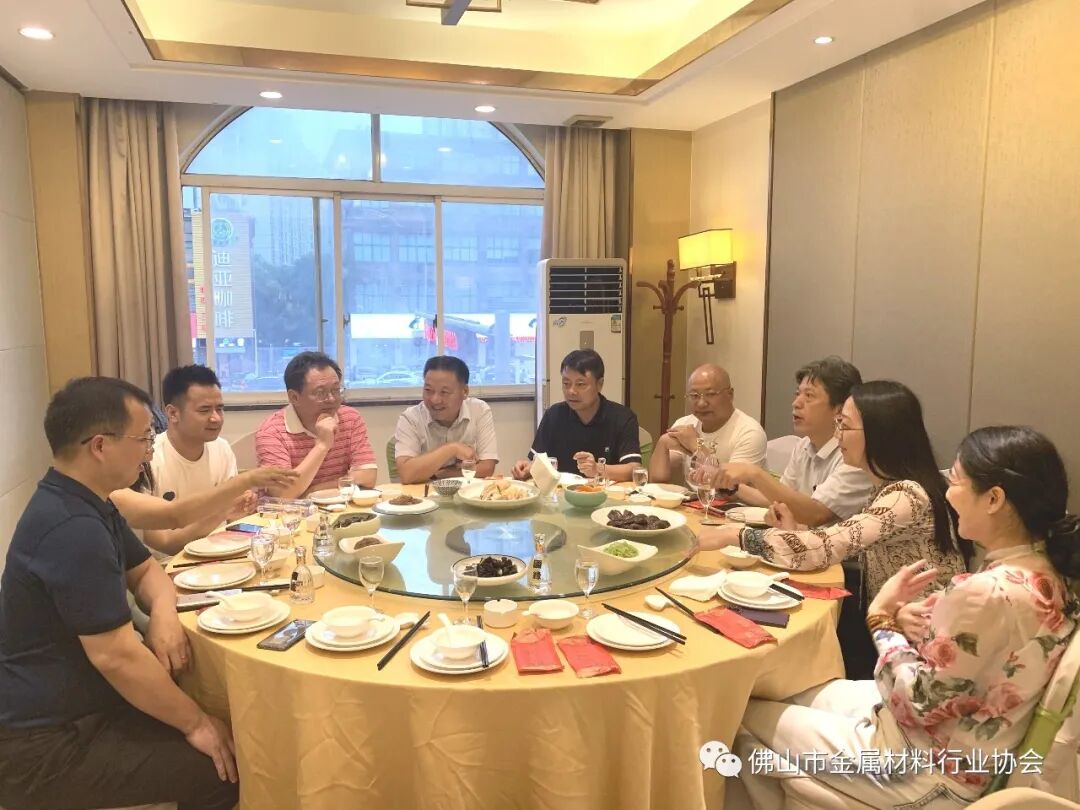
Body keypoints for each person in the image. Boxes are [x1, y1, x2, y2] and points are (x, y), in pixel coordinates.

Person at [735, 425, 1080, 809]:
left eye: (957, 481)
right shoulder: (1050, 572)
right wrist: (925, 625)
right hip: (967, 748)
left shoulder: (991, 591)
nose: (947, 493)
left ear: (994, 499)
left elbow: (915, 704)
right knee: (787, 692)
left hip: (922, 767)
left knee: (738, 718)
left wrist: (883, 620)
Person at [0, 377, 240, 810]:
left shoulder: (88, 500)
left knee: (224, 719)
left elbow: (146, 570)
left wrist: (164, 614)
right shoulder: (72, 528)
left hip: (89, 704)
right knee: (221, 767)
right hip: (47, 742)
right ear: (100, 446)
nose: (149, 450)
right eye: (144, 438)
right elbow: (116, 657)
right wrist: (196, 724)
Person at [699, 380, 969, 678]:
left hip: (921, 649)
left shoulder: (906, 495)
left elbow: (826, 546)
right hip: (889, 628)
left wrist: (733, 535)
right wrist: (792, 534)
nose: (837, 434)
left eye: (844, 425)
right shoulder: (885, 487)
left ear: (879, 433)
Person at [717, 356, 874, 526]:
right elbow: (779, 499)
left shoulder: (855, 455)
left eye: (809, 396)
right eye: (798, 394)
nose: (796, 403)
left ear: (840, 409)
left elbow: (815, 514)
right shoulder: (804, 445)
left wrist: (754, 473)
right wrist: (732, 486)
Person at [127, 364, 247, 553]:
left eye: (220, 409)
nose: (216, 418)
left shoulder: (222, 448)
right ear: (172, 413)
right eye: (204, 410)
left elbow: (232, 520)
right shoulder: (147, 459)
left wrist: (240, 509)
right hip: (169, 564)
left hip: (222, 555)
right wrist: (222, 511)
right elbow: (164, 544)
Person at [256, 351, 378, 497]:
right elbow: (283, 493)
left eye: (336, 390)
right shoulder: (271, 431)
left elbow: (367, 476)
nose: (331, 399)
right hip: (291, 511)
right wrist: (322, 446)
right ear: (294, 397)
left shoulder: (350, 418)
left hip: (339, 507)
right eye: (320, 393)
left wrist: (313, 491)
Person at [511, 349, 641, 483]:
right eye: (566, 384)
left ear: (599, 384)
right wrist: (527, 468)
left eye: (580, 384)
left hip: (605, 492)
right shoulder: (553, 415)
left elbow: (634, 469)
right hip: (561, 492)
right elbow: (537, 461)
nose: (571, 391)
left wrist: (598, 469)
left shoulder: (622, 417)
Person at [648, 364, 766, 485]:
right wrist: (663, 443)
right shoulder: (685, 424)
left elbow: (732, 487)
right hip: (694, 497)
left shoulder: (749, 433)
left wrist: (697, 446)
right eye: (694, 396)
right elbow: (656, 482)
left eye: (710, 394)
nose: (701, 403)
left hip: (730, 498)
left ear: (730, 394)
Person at [395, 356, 498, 484]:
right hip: (424, 494)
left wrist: (440, 473)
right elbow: (407, 474)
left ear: (465, 391)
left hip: (468, 492)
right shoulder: (410, 418)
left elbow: (487, 467)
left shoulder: (479, 410)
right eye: (428, 390)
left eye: (444, 392)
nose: (435, 400)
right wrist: (452, 448)